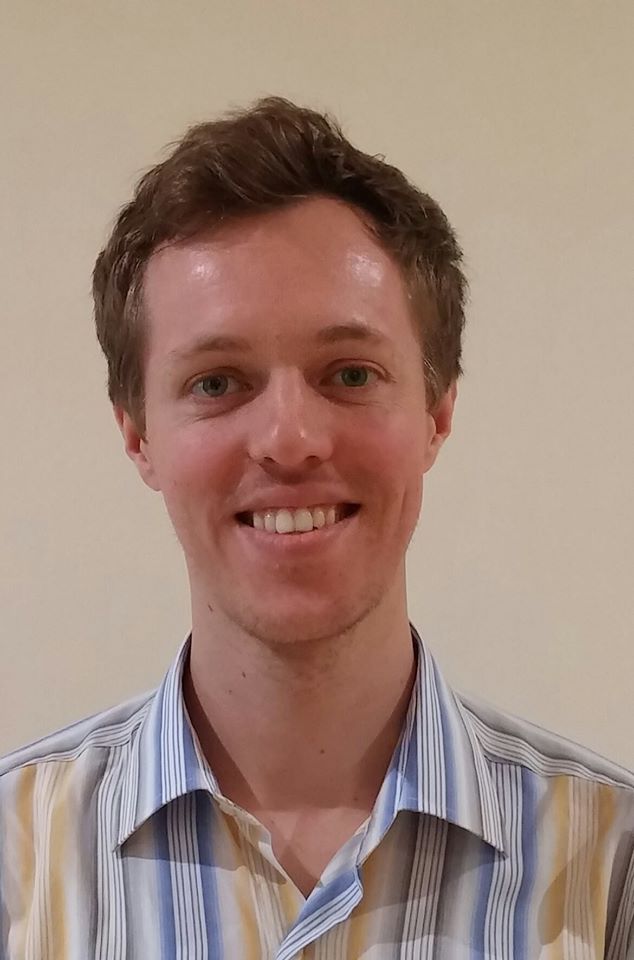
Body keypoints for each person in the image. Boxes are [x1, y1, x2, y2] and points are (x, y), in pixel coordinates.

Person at [0, 97, 632, 960]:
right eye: (217, 382)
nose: (290, 438)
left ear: (437, 415)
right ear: (139, 437)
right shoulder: (17, 861)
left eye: (350, 373)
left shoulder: (612, 864)